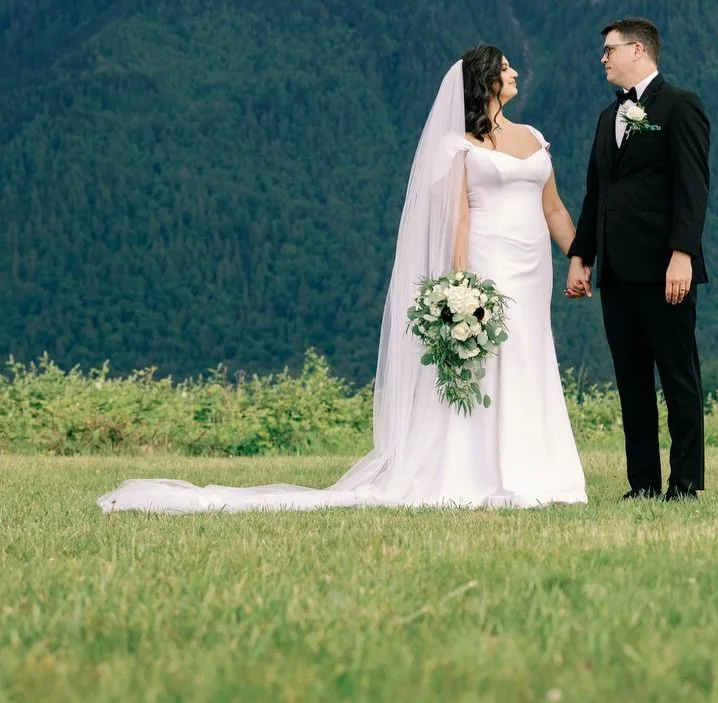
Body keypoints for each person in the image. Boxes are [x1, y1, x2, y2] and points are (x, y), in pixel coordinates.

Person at [99, 45, 587, 511]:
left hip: (532, 269)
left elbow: (555, 209)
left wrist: (580, 257)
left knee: (529, 354)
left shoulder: (534, 136)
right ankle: (481, 470)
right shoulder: (459, 146)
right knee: (489, 362)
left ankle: (538, 468)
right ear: (486, 81)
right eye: (506, 68)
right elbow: (458, 219)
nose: (515, 73)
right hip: (487, 263)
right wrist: (460, 285)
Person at [565, 18, 710, 501]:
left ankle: (685, 483)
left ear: (639, 50)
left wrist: (682, 254)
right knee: (631, 383)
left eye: (610, 50)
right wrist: (581, 255)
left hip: (666, 269)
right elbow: (595, 193)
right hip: (617, 273)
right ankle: (643, 484)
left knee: (678, 377)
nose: (603, 58)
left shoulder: (680, 105)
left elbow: (693, 189)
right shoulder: (608, 118)